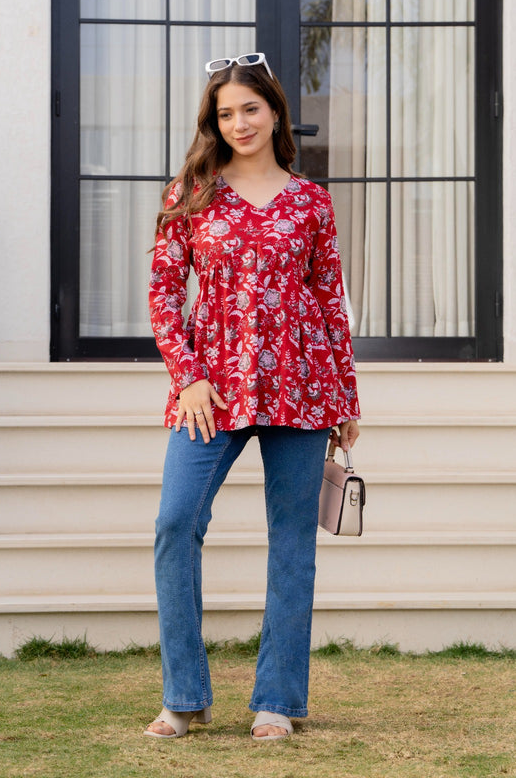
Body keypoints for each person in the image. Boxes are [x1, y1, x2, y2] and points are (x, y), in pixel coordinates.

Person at [146, 52, 360, 742]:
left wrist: (345, 399)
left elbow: (329, 302)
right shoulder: (190, 193)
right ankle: (184, 696)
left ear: (274, 112)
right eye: (225, 113)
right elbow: (162, 293)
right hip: (209, 390)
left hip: (303, 386)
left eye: (250, 109)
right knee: (175, 524)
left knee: (292, 542)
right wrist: (188, 375)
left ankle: (277, 700)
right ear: (213, 122)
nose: (238, 123)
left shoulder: (311, 201)